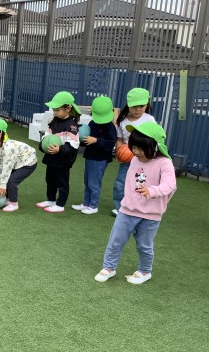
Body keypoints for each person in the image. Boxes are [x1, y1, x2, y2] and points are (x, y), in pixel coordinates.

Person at [94, 122, 176, 285]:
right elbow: (133, 182)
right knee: (115, 240)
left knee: (144, 245)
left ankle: (145, 271)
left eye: (141, 148)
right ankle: (109, 267)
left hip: (151, 215)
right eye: (134, 147)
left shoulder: (164, 163)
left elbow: (170, 185)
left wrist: (151, 191)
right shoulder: (134, 160)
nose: (136, 151)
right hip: (127, 210)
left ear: (155, 146)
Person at [111, 87, 156, 216]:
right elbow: (120, 138)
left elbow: (154, 138)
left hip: (143, 159)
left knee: (140, 184)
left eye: (141, 106)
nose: (138, 109)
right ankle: (120, 207)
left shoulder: (149, 119)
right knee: (120, 183)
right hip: (126, 159)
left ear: (147, 105)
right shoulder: (123, 120)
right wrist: (119, 152)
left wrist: (148, 154)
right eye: (134, 106)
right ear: (128, 105)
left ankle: (138, 207)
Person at [36, 91, 81, 213]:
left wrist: (59, 149)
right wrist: (43, 145)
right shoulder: (54, 122)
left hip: (63, 161)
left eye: (57, 110)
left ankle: (60, 204)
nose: (54, 112)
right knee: (50, 180)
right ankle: (51, 199)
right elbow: (46, 136)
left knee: (62, 182)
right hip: (52, 158)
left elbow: (73, 145)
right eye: (54, 110)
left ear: (68, 109)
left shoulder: (72, 126)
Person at [71, 96, 117, 215]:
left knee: (94, 182)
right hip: (90, 156)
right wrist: (81, 138)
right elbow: (86, 139)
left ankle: (93, 205)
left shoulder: (110, 127)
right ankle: (86, 203)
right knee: (87, 181)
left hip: (101, 159)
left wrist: (96, 140)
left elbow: (111, 143)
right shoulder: (92, 123)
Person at [0, 119, 37, 212]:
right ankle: (7, 198)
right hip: (18, 162)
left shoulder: (8, 148)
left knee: (11, 181)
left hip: (28, 163)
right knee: (6, 179)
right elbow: (0, 164)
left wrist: (3, 185)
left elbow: (7, 168)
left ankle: (14, 204)